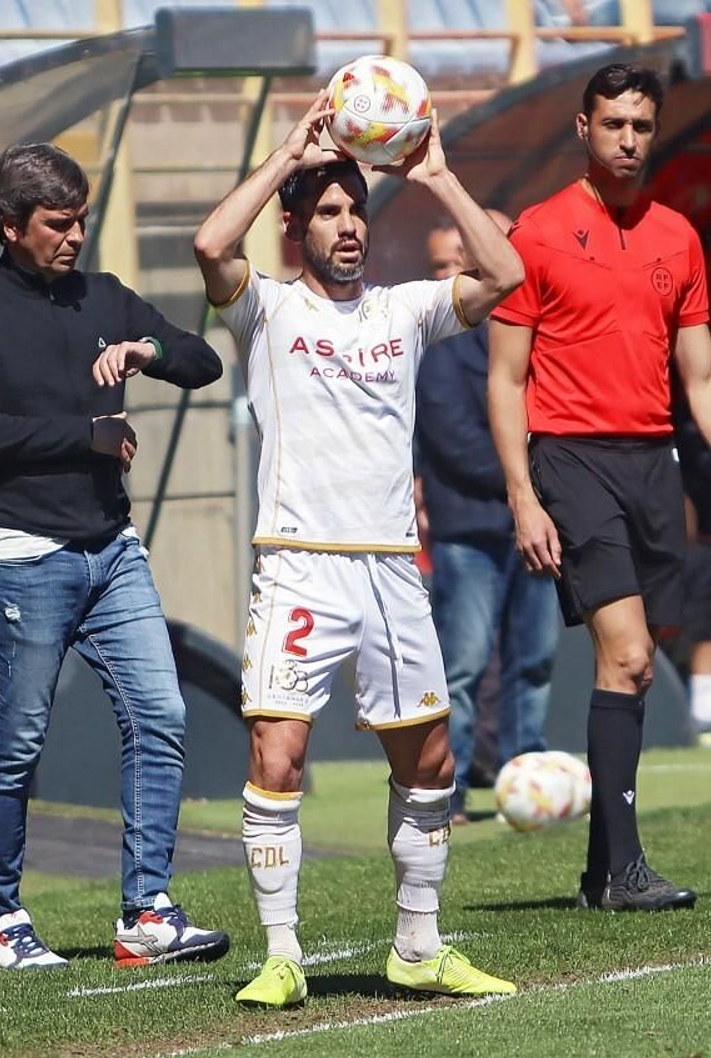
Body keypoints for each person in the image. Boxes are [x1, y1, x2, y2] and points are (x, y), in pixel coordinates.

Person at [194, 93, 522, 1008]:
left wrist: (440, 178)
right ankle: (283, 955)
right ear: (294, 228)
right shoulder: (262, 311)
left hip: (389, 566)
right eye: (328, 212)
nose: (348, 227)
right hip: (299, 561)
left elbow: (504, 275)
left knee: (430, 765)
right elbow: (211, 247)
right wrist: (285, 157)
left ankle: (418, 947)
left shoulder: (404, 312)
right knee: (277, 757)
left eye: (357, 211)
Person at [488, 63, 711, 913]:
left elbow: (703, 376)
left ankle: (598, 871)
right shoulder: (538, 235)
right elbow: (506, 381)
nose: (628, 139)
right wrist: (523, 493)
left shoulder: (678, 238)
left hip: (655, 465)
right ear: (582, 129)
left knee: (639, 669)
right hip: (572, 461)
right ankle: (625, 874)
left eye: (642, 126)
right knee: (622, 654)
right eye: (613, 123)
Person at [0, 143, 230, 971]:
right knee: (17, 744)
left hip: (112, 553)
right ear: (9, 225)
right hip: (21, 557)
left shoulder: (105, 296)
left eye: (81, 219)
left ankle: (147, 911)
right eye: (57, 223)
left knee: (162, 715)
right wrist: (84, 435)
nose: (74, 236)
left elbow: (203, 361)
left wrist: (148, 353)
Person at [417, 210, 561, 826]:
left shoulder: (544, 332)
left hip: (538, 526)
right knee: (465, 664)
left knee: (534, 661)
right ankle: (450, 796)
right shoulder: (447, 339)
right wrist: (525, 482)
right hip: (471, 530)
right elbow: (451, 436)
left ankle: (523, 784)